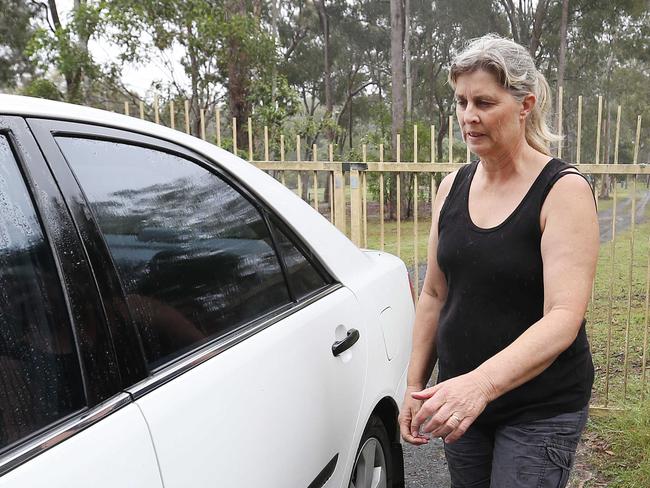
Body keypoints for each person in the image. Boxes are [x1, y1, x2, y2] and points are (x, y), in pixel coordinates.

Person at [399, 34, 598, 488]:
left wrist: (481, 385)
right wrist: (414, 384)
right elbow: (434, 293)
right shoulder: (452, 187)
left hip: (538, 408)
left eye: (485, 103)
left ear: (525, 105)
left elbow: (563, 317)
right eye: (462, 101)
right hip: (459, 400)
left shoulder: (562, 190)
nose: (469, 116)